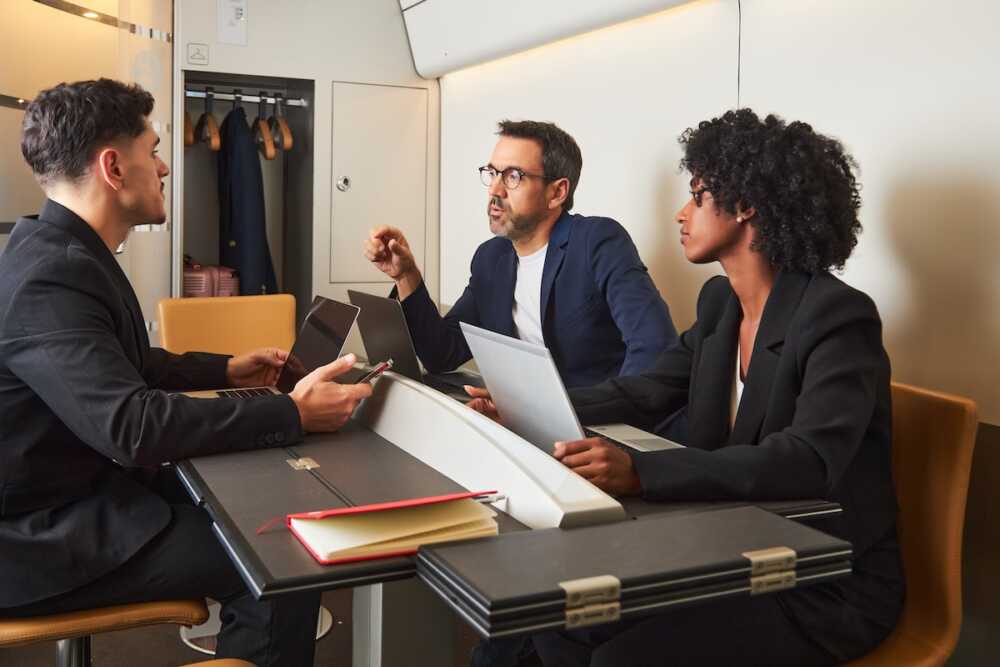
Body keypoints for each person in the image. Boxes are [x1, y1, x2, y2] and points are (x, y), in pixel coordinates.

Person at [472, 109, 904, 666]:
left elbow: (808, 459)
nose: (681, 213)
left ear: (747, 205)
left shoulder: (838, 317)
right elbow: (649, 391)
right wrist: (523, 405)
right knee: (552, 624)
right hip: (729, 550)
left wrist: (642, 472)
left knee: (614, 658)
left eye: (697, 196)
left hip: (821, 582)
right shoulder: (720, 305)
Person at [0, 79, 372, 667]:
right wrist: (292, 411)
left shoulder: (59, 249)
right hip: (40, 537)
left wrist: (227, 367)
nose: (166, 165)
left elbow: (129, 366)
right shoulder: (54, 276)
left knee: (257, 495)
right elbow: (131, 425)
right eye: (152, 151)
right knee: (283, 557)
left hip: (71, 488)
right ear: (114, 168)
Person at [363, 120, 677, 389]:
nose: (495, 190)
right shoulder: (492, 258)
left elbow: (654, 346)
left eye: (513, 176)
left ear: (557, 192)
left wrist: (597, 417)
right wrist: (406, 274)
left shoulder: (597, 242)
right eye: (492, 173)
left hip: (598, 428)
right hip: (525, 427)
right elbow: (442, 353)